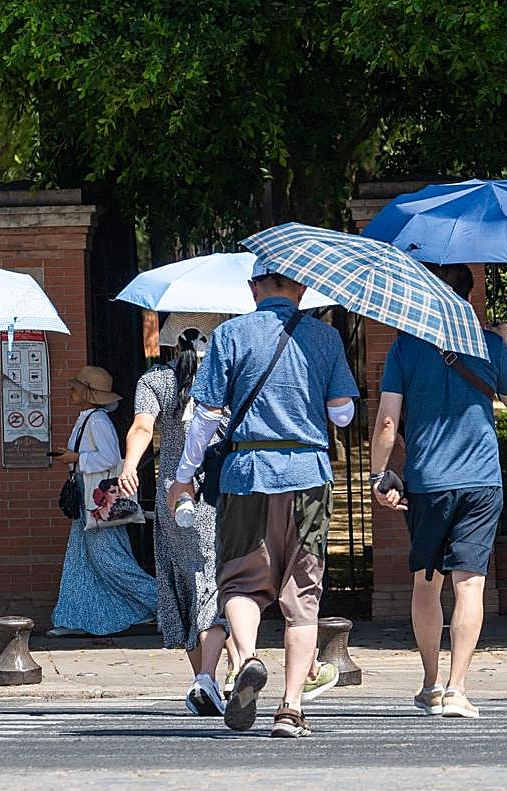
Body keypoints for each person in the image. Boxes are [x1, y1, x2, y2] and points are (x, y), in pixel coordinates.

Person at [167, 260, 359, 737]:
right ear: (303, 288)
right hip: (308, 475)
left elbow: (206, 416)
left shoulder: (230, 335)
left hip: (246, 474)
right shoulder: (325, 338)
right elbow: (342, 415)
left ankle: (248, 658)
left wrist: (183, 477)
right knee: (303, 593)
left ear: (254, 288)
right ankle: (291, 709)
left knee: (239, 582)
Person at [370, 263, 507, 720]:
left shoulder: (404, 346)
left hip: (427, 482)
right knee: (470, 584)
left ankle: (430, 684)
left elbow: (387, 421)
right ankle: (458, 689)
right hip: (481, 480)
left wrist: (379, 475)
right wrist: (505, 343)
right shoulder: (488, 344)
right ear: (469, 297)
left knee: (426, 583)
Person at [119, 314, 237, 716]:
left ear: (171, 342)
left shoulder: (155, 381)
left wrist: (129, 465)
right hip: (222, 490)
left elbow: (141, 427)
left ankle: (208, 678)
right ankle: (212, 675)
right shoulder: (227, 378)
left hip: (174, 497)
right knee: (216, 580)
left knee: (185, 581)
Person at [50, 366, 158, 637]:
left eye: (76, 388)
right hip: (88, 500)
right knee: (81, 560)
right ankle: (76, 618)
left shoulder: (97, 421)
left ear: (88, 393)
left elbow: (109, 458)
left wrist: (76, 458)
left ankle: (163, 602)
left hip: (95, 503)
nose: (71, 391)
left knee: (110, 561)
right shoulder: (90, 418)